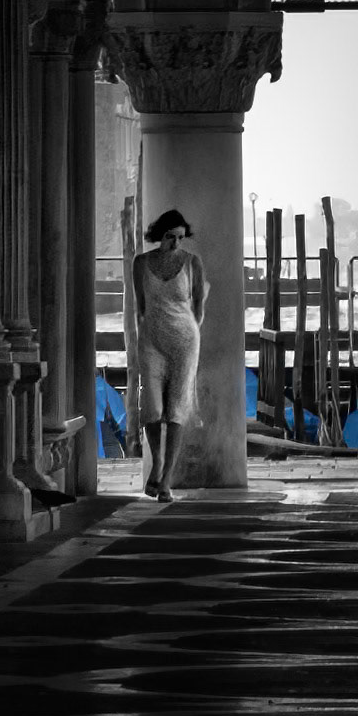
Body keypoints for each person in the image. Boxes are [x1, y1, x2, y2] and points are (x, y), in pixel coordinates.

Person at [133, 208, 207, 501]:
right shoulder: (141, 263)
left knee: (176, 409)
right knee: (151, 408)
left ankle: (165, 480)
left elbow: (199, 306)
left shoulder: (192, 263)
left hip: (185, 342)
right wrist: (152, 329)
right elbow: (140, 305)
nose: (175, 243)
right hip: (151, 340)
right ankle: (157, 462)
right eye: (169, 237)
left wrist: (186, 333)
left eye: (179, 237)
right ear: (158, 236)